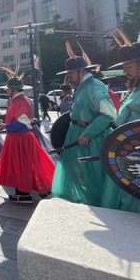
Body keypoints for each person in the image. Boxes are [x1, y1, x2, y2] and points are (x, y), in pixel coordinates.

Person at [51, 51, 115, 206]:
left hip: (91, 138)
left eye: (71, 73)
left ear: (82, 71)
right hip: (75, 133)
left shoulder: (95, 86)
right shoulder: (81, 86)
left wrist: (88, 133)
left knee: (92, 175)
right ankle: (81, 201)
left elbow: (107, 114)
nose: (69, 76)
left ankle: (96, 205)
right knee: (76, 172)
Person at [101, 33, 140, 213]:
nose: (125, 71)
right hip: (127, 155)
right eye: (124, 67)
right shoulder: (136, 88)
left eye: (129, 66)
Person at [0, 74, 55, 203]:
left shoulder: (20, 101)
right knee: (27, 165)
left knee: (21, 166)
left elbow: (22, 122)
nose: (6, 91)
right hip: (21, 138)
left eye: (8, 89)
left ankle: (23, 193)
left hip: (19, 139)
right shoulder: (22, 100)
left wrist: (6, 126)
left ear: (13, 89)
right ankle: (34, 190)